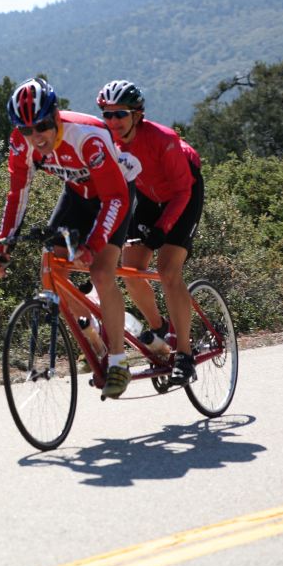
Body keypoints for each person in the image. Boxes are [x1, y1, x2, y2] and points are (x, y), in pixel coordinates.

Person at [0, 78, 139, 399]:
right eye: (26, 130)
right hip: (77, 196)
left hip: (114, 196)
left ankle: (120, 361)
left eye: (41, 126)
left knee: (100, 271)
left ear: (55, 116)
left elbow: (115, 198)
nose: (35, 137)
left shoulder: (87, 137)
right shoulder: (21, 141)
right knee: (52, 274)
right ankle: (90, 331)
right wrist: (4, 244)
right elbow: (18, 193)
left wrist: (93, 245)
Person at [96, 79, 204, 385]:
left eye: (120, 114)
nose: (113, 121)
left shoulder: (163, 139)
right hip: (147, 198)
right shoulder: (108, 142)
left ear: (137, 115)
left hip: (183, 196)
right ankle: (159, 328)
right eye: (108, 114)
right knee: (130, 270)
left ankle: (185, 355)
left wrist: (162, 229)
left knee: (168, 271)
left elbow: (182, 191)